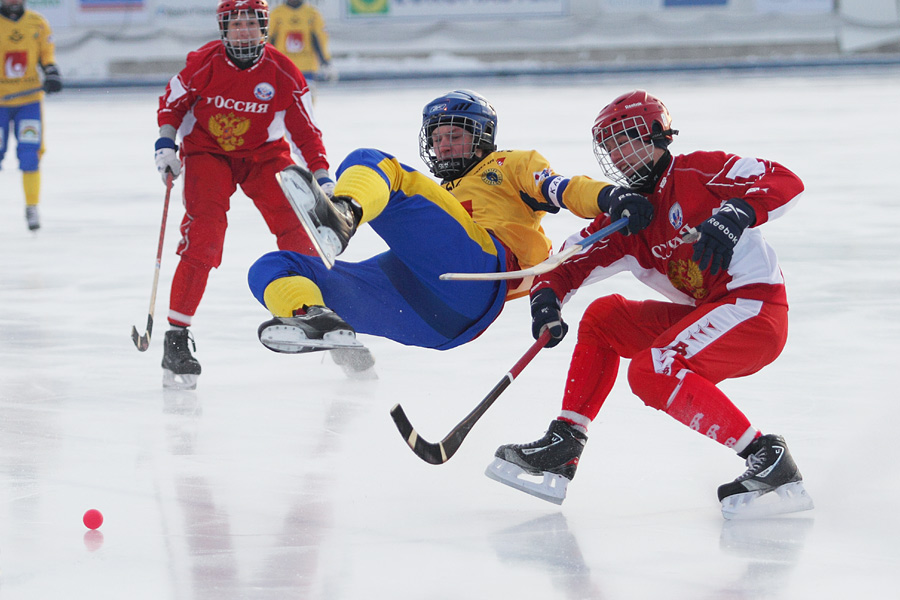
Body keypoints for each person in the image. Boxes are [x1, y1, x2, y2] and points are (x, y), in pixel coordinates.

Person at [486, 90, 814, 520]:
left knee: (652, 369)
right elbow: (566, 261)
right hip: (711, 312)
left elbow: (785, 180)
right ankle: (565, 443)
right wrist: (546, 300)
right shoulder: (629, 217)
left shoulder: (701, 170)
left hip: (756, 309)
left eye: (626, 138)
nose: (618, 154)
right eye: (610, 146)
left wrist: (736, 213)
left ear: (659, 135)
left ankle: (767, 456)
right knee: (605, 319)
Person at [247, 89, 641, 376]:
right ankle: (317, 319)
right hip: (429, 317)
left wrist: (609, 196)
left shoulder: (509, 164)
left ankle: (344, 214)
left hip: (475, 278)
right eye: (437, 139)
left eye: (455, 135)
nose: (444, 146)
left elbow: (564, 187)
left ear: (482, 135)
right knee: (274, 266)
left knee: (374, 164)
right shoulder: (438, 196)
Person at [155, 0, 332, 390]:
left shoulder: (283, 71)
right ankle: (176, 337)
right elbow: (171, 103)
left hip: (264, 156)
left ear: (264, 27)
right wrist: (166, 143)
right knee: (204, 234)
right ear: (224, 29)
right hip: (208, 153)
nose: (244, 31)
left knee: (296, 226)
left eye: (251, 24)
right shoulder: (202, 63)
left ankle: (312, 312)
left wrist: (321, 173)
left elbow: (305, 131)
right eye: (236, 24)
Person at [0, 0, 62, 231]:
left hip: (28, 103)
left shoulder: (37, 23)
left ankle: (32, 206)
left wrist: (51, 72)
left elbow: (47, 55)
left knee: (30, 154)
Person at [268, 0, 335, 98]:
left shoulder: (312, 13)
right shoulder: (276, 13)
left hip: (307, 65)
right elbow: (269, 39)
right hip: (284, 66)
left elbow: (320, 39)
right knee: (285, 100)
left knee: (307, 100)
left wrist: (325, 61)